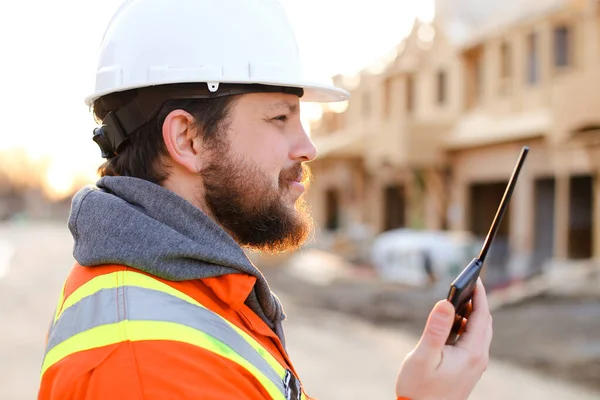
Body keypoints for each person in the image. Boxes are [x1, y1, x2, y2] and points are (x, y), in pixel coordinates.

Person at [38, 0, 492, 399]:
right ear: (188, 139)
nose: (307, 148)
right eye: (280, 117)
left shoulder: (191, 288)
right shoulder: (144, 364)